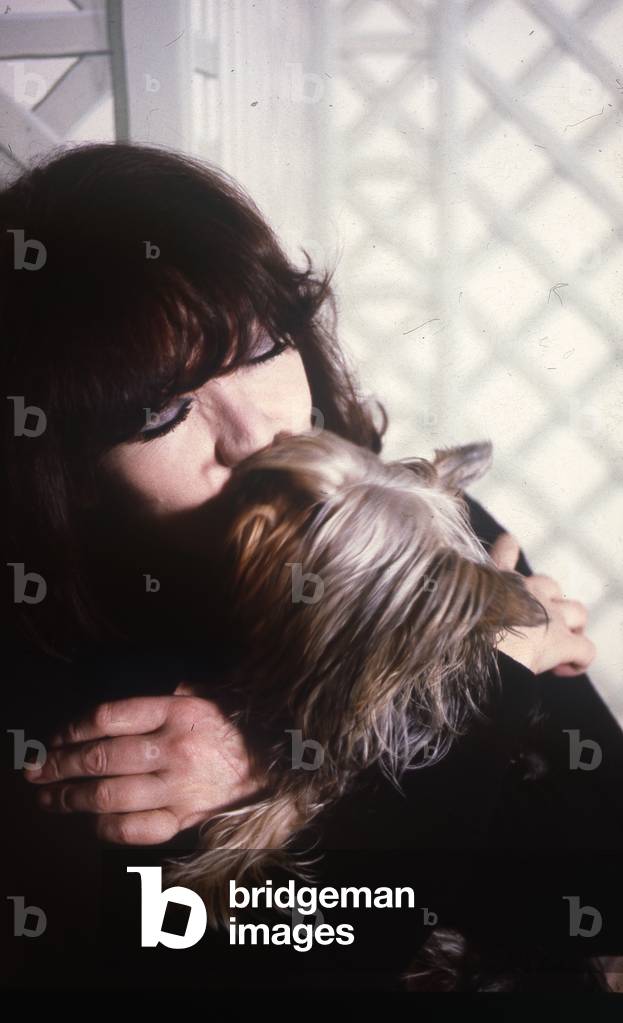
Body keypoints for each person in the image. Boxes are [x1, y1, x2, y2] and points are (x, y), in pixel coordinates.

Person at [2, 142, 620, 991]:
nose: (253, 433)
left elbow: (599, 875)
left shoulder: (421, 526)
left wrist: (296, 750)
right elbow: (299, 971)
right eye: (157, 411)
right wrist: (480, 674)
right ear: (65, 468)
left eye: (259, 349)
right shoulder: (55, 687)